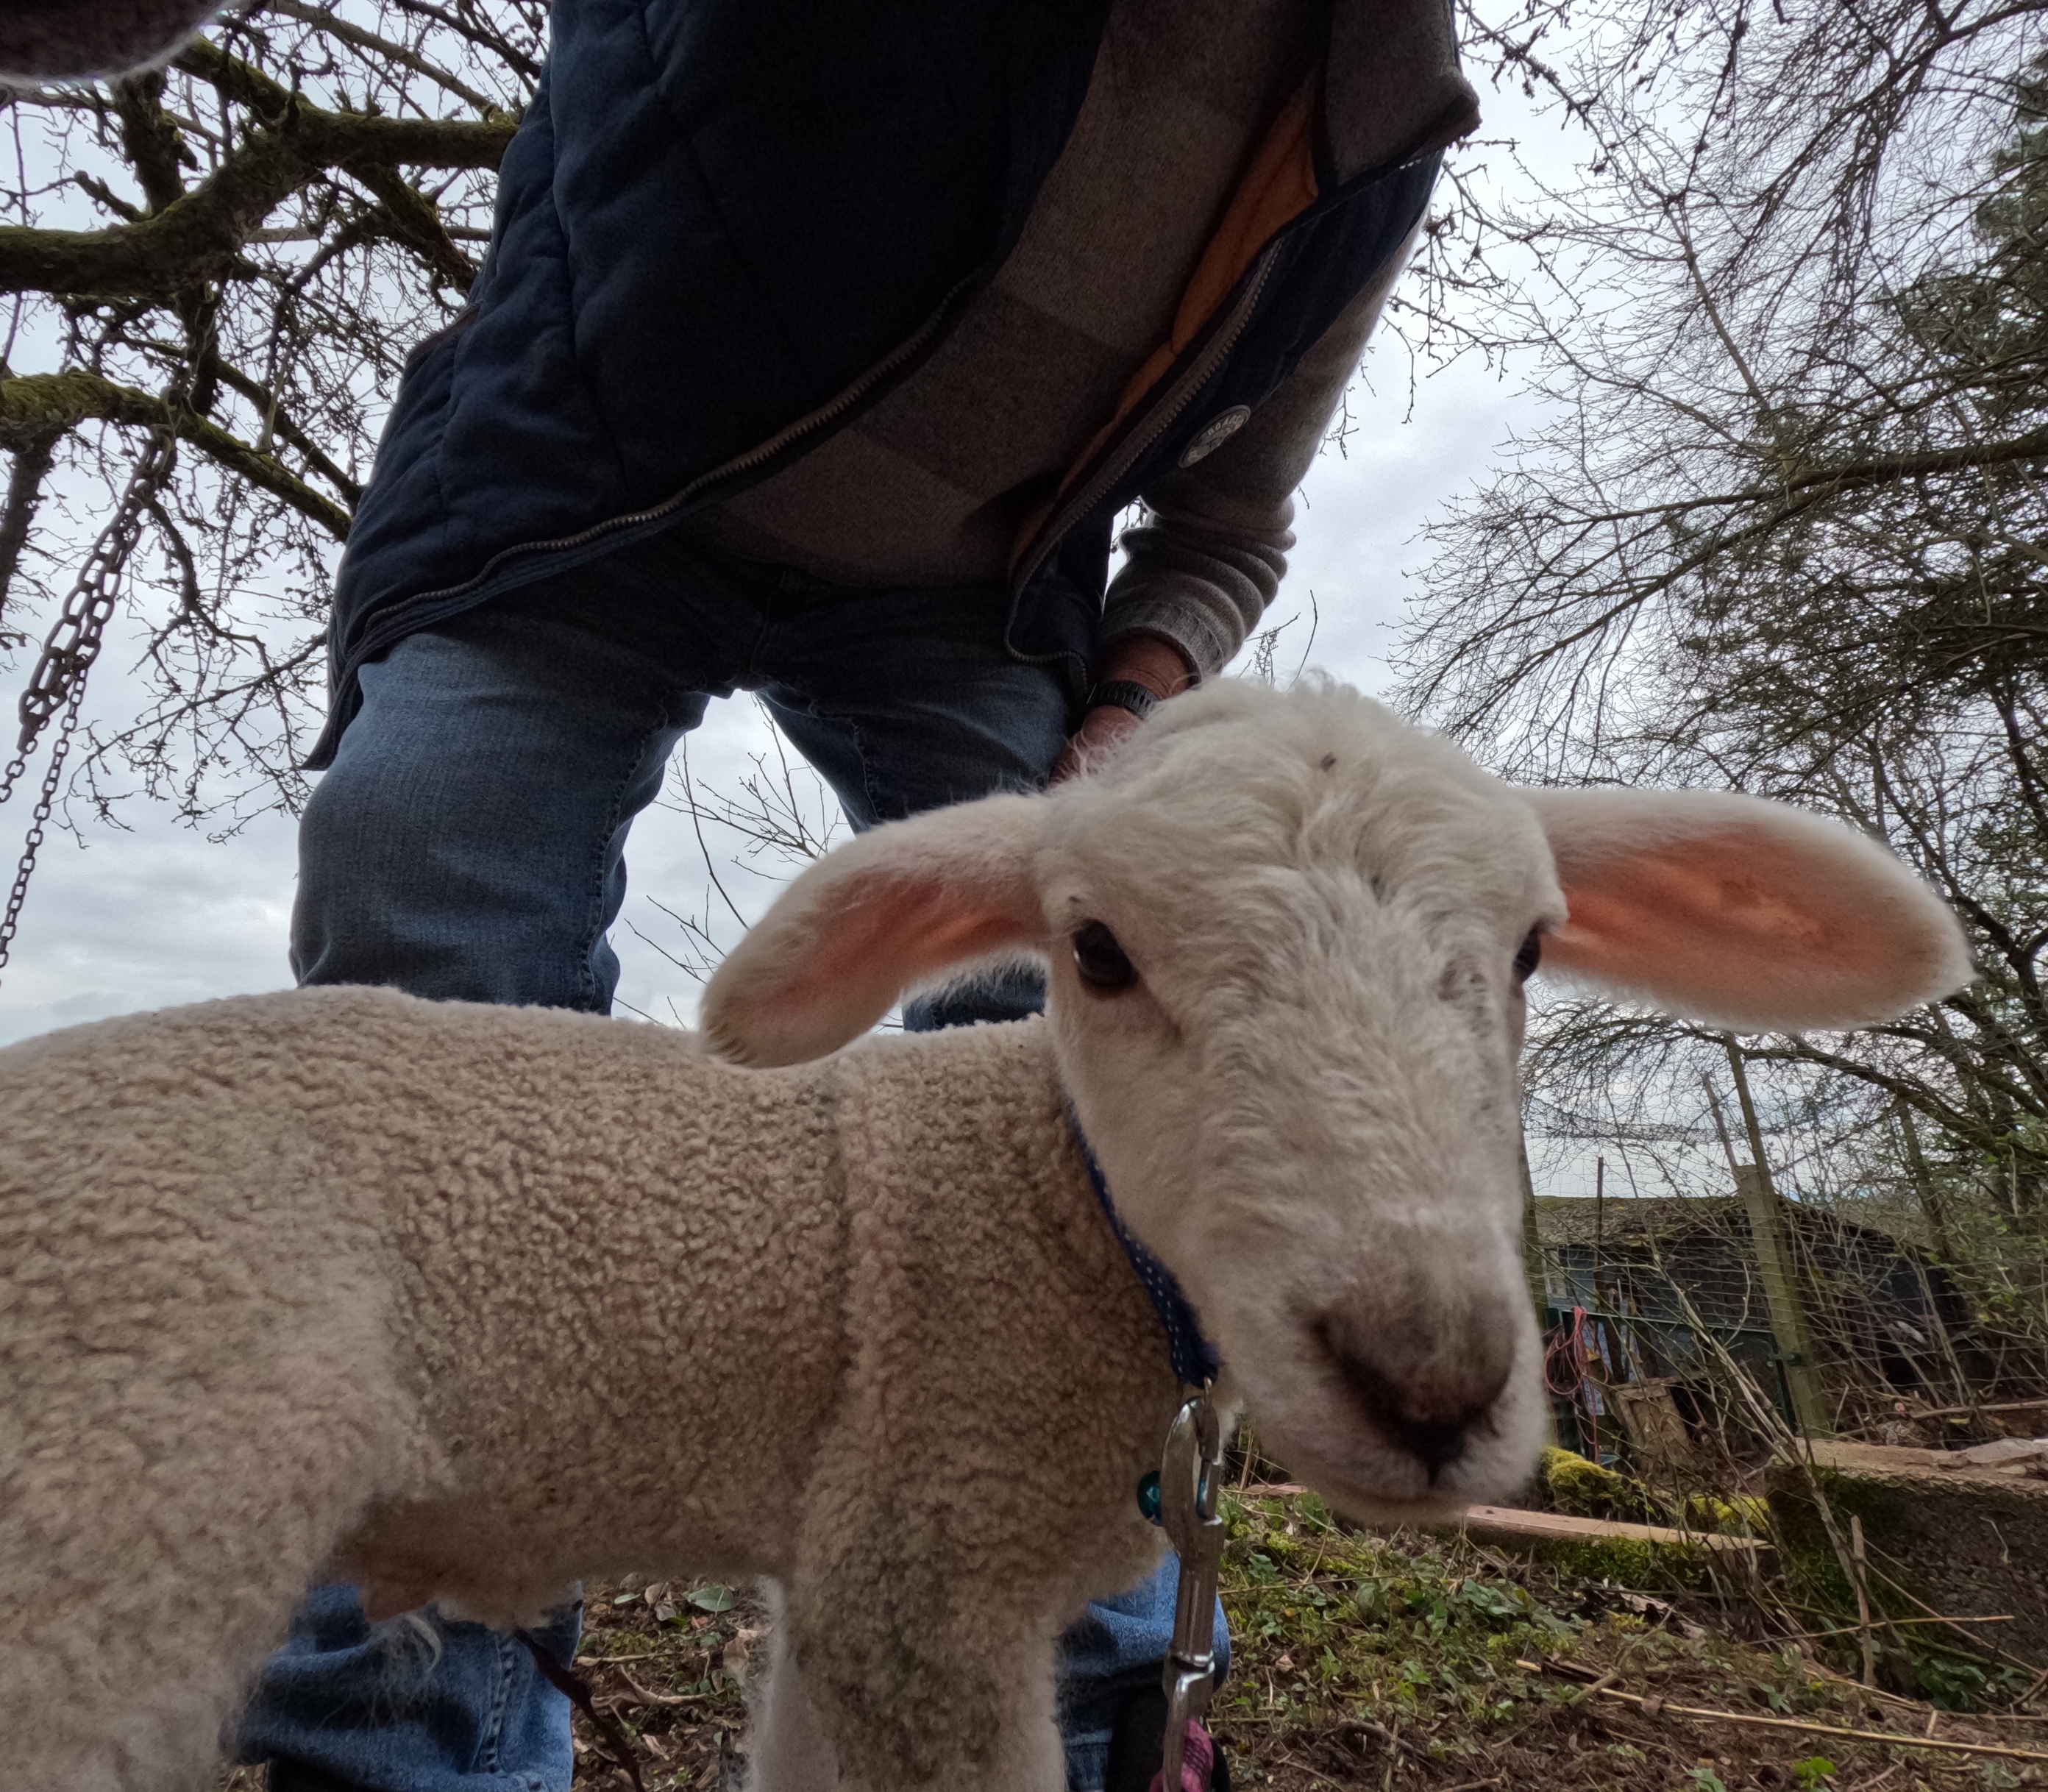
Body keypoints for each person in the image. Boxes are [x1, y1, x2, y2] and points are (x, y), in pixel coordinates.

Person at [9, 4, 1478, 1788]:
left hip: (961, 592)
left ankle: (1098, 1689)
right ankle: (411, 1734)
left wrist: (1129, 722)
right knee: (426, 900)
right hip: (582, 498)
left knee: (1084, 1044)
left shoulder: (1373, 111)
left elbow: (1227, 520)